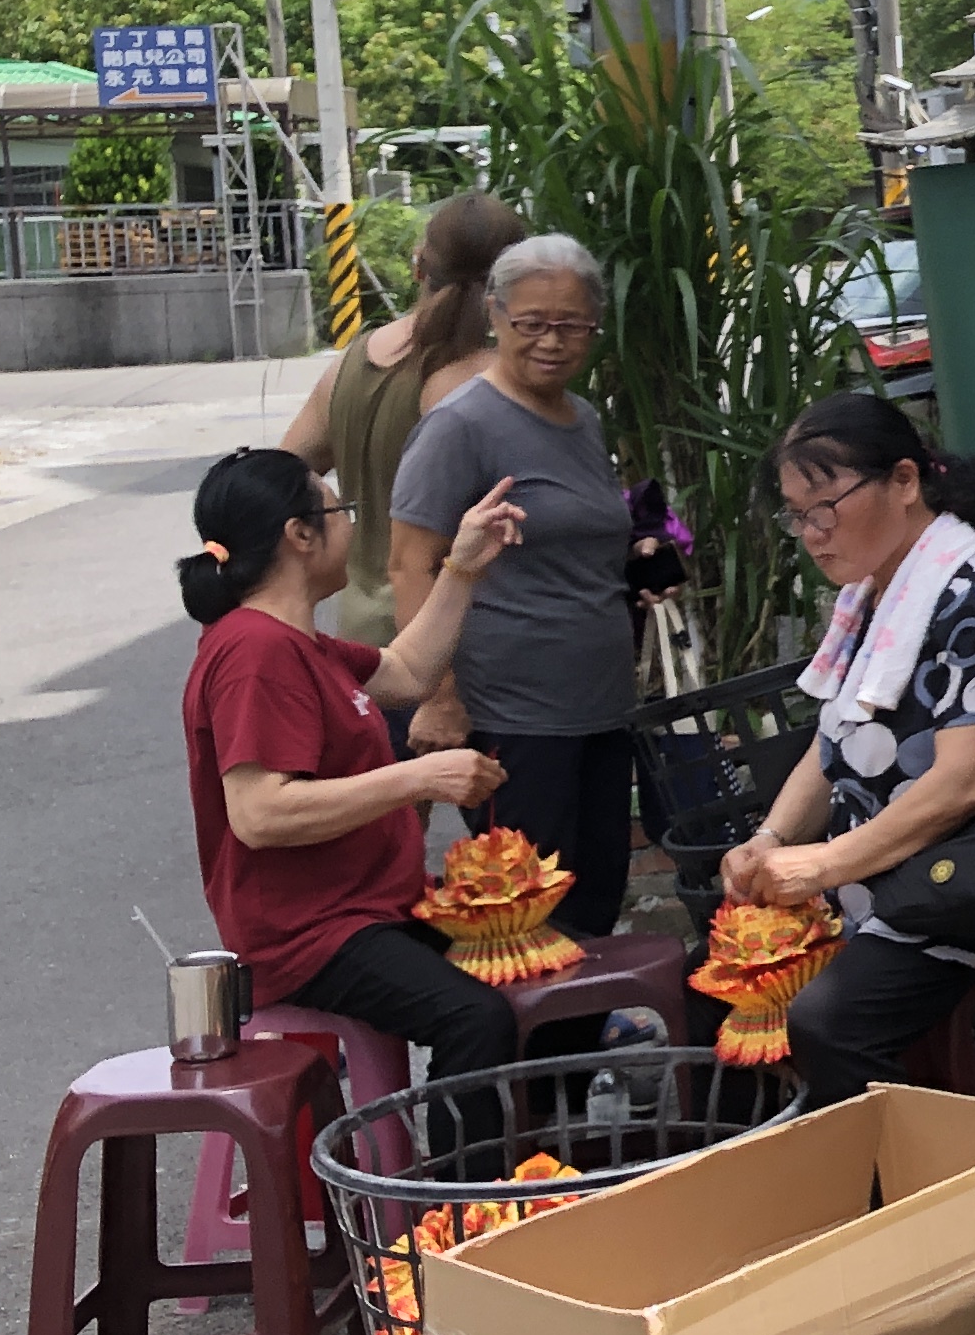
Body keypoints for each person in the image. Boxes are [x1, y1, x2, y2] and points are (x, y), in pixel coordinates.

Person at [725, 394, 975, 1107]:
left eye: (824, 506)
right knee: (728, 991)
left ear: (904, 481)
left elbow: (965, 785)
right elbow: (833, 743)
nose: (811, 533)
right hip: (888, 875)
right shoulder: (869, 599)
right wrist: (769, 840)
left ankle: (910, 1200)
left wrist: (824, 863)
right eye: (797, 515)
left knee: (826, 1023)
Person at [176, 446, 527, 1117]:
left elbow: (406, 673)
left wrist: (462, 564)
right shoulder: (254, 651)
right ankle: (463, 1211)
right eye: (339, 512)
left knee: (523, 954)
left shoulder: (298, 643)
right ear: (299, 535)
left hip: (369, 910)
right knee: (473, 1018)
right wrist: (417, 777)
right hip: (310, 934)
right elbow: (260, 813)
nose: (351, 526)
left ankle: (514, 1166)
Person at [388, 233, 668, 941]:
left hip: (598, 710)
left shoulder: (583, 418)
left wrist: (632, 561)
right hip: (509, 717)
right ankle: (518, 1054)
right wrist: (441, 698)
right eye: (532, 322)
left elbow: (569, 537)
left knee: (595, 905)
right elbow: (410, 564)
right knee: (527, 921)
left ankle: (574, 1053)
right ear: (494, 315)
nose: (552, 341)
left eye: (572, 324)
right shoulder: (460, 426)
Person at [272, 190, 528, 645]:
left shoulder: (353, 362)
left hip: (364, 641)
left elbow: (279, 473)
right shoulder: (489, 380)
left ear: (418, 267)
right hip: (452, 648)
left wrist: (340, 528)